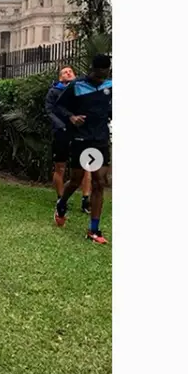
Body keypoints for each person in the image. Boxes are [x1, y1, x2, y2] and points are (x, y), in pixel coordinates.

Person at [53, 54, 112, 244]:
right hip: (81, 138)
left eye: (105, 73)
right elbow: (59, 106)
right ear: (92, 70)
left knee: (99, 181)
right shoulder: (77, 85)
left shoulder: (110, 86)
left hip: (100, 138)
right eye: (98, 73)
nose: (101, 77)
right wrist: (71, 117)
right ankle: (61, 204)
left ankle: (94, 229)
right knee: (77, 179)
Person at [46, 66, 92, 212]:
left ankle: (86, 199)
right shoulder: (54, 92)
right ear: (60, 77)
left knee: (86, 166)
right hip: (61, 132)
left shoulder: (81, 90)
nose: (68, 73)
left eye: (71, 71)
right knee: (60, 166)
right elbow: (49, 111)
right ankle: (61, 198)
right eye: (65, 72)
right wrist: (61, 126)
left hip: (80, 133)